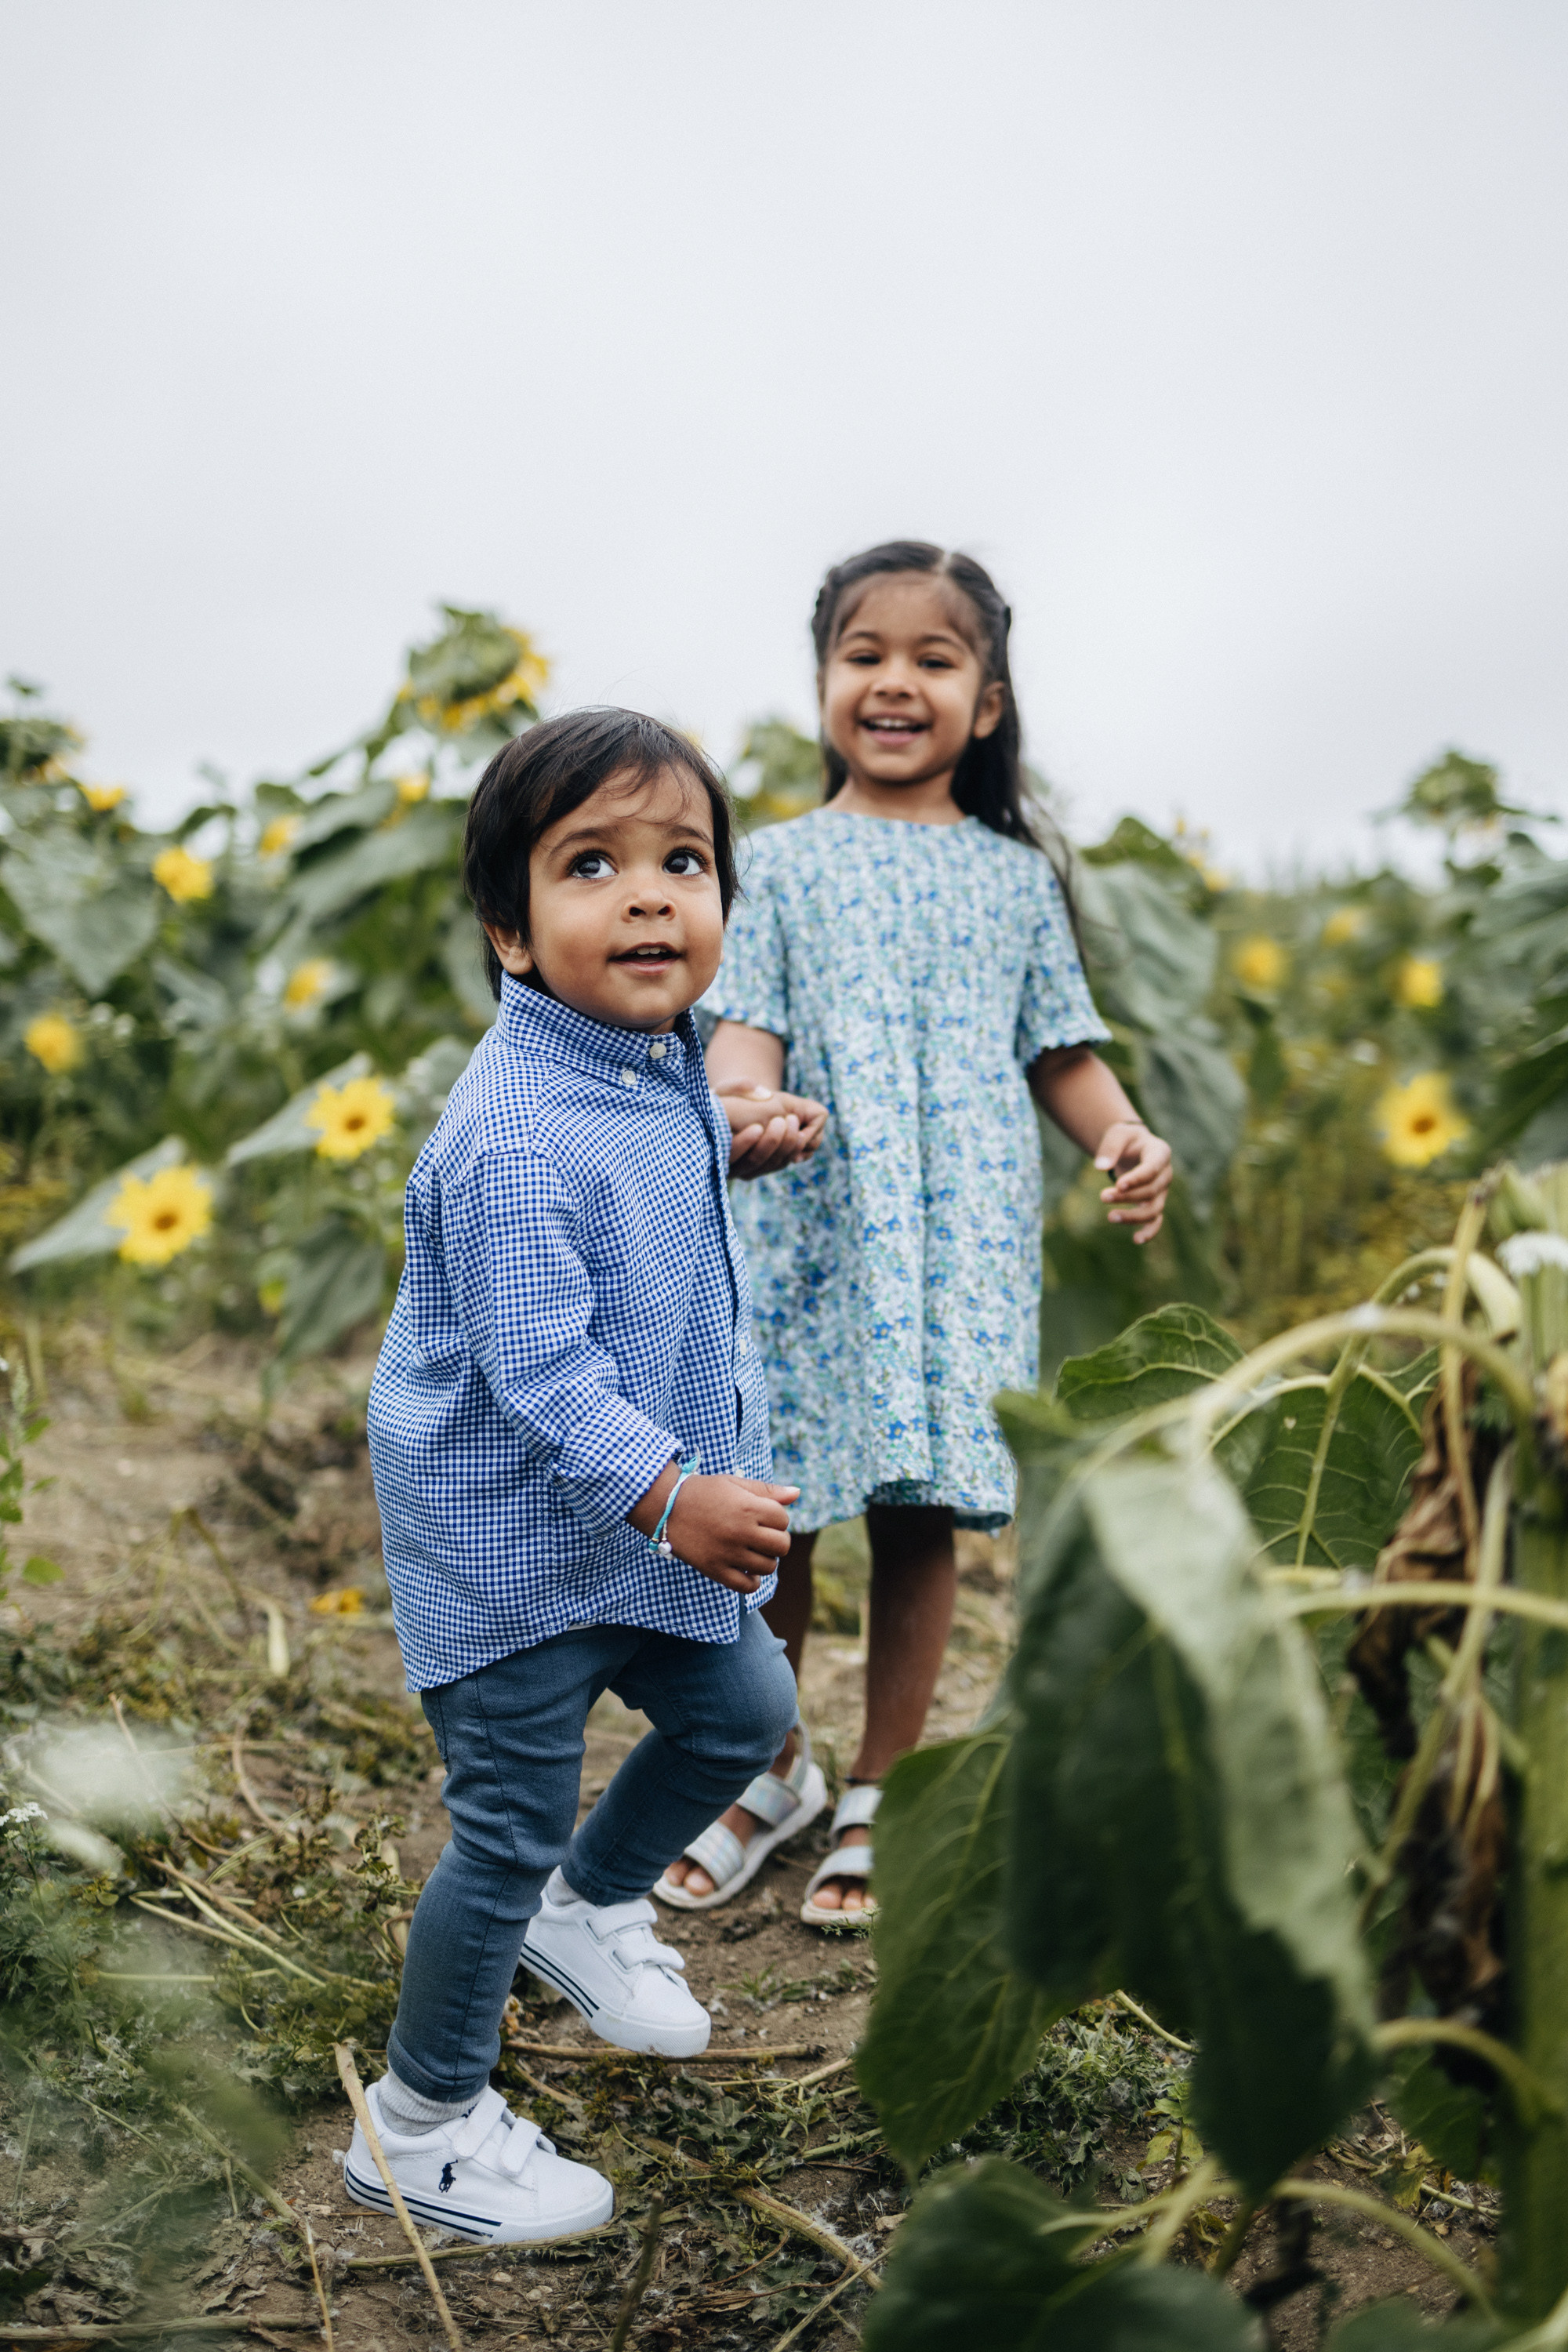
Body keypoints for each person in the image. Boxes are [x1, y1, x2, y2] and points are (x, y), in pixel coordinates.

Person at [345, 709, 823, 2244]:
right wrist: (677, 1497)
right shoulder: (510, 1139)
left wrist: (723, 1141)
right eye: (590, 864)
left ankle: (593, 1908)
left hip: (628, 1518)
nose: (647, 896)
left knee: (745, 1717)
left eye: (682, 859)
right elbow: (541, 1373)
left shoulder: (644, 1067)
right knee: (504, 1825)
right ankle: (418, 2126)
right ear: (508, 931)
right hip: (518, 1545)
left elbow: (640, 1170)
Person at [658, 542, 1174, 1925]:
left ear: (988, 704)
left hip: (959, 1249)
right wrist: (744, 1108)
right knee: (779, 1513)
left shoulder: (1016, 878)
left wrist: (1120, 1135)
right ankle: (769, 1768)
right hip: (812, 1233)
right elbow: (741, 1042)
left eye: (933, 660)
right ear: (824, 681)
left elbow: (1061, 1051)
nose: (895, 682)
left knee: (917, 1511)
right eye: (864, 655)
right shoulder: (770, 866)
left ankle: (883, 1781)